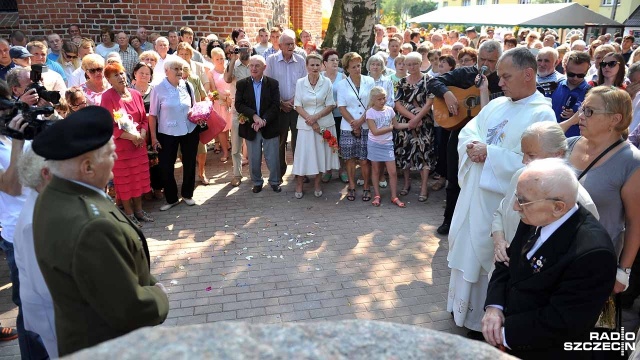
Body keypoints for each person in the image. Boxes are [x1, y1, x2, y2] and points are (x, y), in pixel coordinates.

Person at [31, 106, 169, 356]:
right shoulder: (93, 227)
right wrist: (158, 297)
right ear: (87, 167)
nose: (115, 159)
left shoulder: (58, 193)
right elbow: (130, 309)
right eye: (110, 153)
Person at [447, 47, 556, 337]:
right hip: (474, 195)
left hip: (499, 204)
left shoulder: (542, 113)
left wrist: (490, 154)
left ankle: (482, 320)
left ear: (528, 74)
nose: (500, 82)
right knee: (466, 249)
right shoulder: (497, 104)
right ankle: (460, 309)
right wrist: (471, 147)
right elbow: (470, 130)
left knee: (490, 258)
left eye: (506, 76)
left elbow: (538, 164)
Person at [482, 158, 617, 358]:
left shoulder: (593, 253)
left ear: (558, 207)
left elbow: (563, 320)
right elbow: (508, 263)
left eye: (522, 200)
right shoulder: (536, 214)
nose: (515, 207)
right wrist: (494, 307)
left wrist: (503, 333)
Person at [559, 87, 640, 307]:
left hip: (593, 263)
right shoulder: (569, 144)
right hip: (554, 256)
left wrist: (623, 271)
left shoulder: (632, 162)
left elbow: (635, 223)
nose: (581, 115)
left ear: (615, 119)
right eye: (582, 108)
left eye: (590, 111)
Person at [491, 122, 599, 272]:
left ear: (558, 155)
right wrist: (499, 242)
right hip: (503, 275)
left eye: (531, 155)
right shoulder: (520, 177)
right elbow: (501, 213)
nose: (524, 161)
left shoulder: (578, 200)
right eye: (523, 154)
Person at [426, 40, 503, 236]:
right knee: (454, 178)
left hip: (490, 138)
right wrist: (448, 93)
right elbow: (433, 82)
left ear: (499, 60)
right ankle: (449, 220)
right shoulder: (467, 73)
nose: (485, 64)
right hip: (459, 133)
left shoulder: (503, 80)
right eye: (482, 59)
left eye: (491, 61)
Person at [13, 149, 57, 357]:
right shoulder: (33, 222)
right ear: (45, 174)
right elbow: (44, 287)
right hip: (49, 316)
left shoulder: (41, 200)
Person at [100, 62, 153, 226]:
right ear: (109, 80)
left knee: (138, 179)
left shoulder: (136, 94)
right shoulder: (107, 97)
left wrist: (142, 134)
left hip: (139, 146)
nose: (121, 77)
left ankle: (139, 210)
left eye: (122, 73)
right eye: (116, 75)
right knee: (125, 182)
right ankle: (129, 214)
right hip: (122, 149)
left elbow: (144, 119)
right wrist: (131, 137)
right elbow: (109, 125)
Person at [149, 57, 199, 211]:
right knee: (166, 166)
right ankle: (171, 198)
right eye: (176, 69)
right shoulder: (158, 88)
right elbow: (152, 115)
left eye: (181, 69)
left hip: (189, 130)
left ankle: (187, 194)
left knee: (190, 163)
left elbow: (195, 107)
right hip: (167, 132)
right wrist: (153, 137)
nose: (179, 72)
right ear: (166, 71)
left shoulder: (188, 85)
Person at [291, 54, 338, 198]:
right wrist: (310, 120)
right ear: (306, 66)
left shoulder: (327, 82)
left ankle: (318, 183)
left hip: (324, 124)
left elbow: (331, 105)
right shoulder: (300, 82)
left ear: (322, 66)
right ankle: (299, 184)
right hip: (305, 125)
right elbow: (297, 105)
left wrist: (316, 118)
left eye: (318, 65)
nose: (315, 68)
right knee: (303, 156)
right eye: (312, 65)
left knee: (319, 155)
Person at [264, 31, 307, 182]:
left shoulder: (301, 60)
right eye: (287, 44)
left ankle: (299, 171)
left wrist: (293, 101)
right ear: (280, 45)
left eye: (292, 43)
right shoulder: (271, 60)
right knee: (280, 141)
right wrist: (281, 102)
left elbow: (304, 83)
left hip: (297, 108)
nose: (290, 46)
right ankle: (279, 173)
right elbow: (268, 84)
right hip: (279, 108)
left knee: (299, 139)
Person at [235, 55, 281, 193]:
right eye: (251, 65)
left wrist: (264, 120)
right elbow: (239, 104)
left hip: (270, 125)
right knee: (254, 158)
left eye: (257, 66)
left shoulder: (273, 84)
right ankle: (257, 182)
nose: (253, 68)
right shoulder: (242, 84)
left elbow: (275, 105)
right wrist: (254, 116)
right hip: (251, 126)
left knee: (272, 157)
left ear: (264, 68)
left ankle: (274, 181)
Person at [394, 52, 436, 203]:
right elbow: (397, 104)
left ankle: (424, 187)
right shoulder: (401, 82)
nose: (411, 67)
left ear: (420, 64)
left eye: (414, 64)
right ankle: (406, 182)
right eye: (408, 64)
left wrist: (418, 118)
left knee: (424, 153)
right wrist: (412, 118)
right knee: (405, 152)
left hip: (424, 123)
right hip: (406, 123)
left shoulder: (428, 80)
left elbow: (429, 102)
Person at [336, 52, 375, 202]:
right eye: (353, 67)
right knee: (350, 159)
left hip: (366, 124)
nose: (357, 69)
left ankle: (366, 187)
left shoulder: (369, 81)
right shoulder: (342, 84)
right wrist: (354, 123)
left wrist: (360, 121)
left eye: (359, 66)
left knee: (364, 159)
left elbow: (372, 103)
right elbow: (342, 107)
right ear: (347, 68)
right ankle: (351, 186)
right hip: (348, 126)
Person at [366, 86, 407, 208]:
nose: (382, 101)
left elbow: (397, 125)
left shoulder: (389, 110)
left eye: (384, 98)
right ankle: (377, 195)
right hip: (374, 144)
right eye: (379, 99)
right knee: (376, 170)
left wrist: (411, 123)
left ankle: (394, 196)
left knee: (392, 172)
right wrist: (390, 128)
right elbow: (375, 131)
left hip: (388, 144)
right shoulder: (370, 112)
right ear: (373, 99)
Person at [224, 38, 252, 187]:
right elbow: (228, 79)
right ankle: (237, 174)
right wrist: (233, 59)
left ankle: (254, 174)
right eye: (240, 47)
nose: (243, 49)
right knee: (236, 144)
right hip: (237, 111)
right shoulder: (233, 65)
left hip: (254, 111)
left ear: (251, 49)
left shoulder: (255, 65)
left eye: (245, 46)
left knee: (253, 144)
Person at [550, 51, 591, 137]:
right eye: (571, 74)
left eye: (580, 75)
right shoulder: (554, 86)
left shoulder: (591, 93)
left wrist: (575, 118)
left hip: (574, 142)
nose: (575, 78)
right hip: (551, 137)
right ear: (565, 68)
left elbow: (595, 122)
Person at [320, 50, 346, 183]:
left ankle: (342, 171)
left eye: (337, 59)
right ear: (325, 63)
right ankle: (328, 171)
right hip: (324, 116)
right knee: (327, 143)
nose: (335, 62)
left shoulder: (343, 77)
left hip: (339, 116)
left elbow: (346, 96)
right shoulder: (320, 76)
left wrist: (336, 104)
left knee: (339, 143)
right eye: (332, 60)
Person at [208, 47, 232, 162]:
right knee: (222, 129)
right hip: (219, 102)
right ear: (213, 60)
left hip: (232, 100)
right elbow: (213, 90)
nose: (220, 61)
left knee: (234, 126)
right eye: (217, 59)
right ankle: (225, 152)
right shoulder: (211, 73)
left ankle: (238, 151)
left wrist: (230, 98)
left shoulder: (229, 69)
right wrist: (224, 98)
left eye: (222, 58)